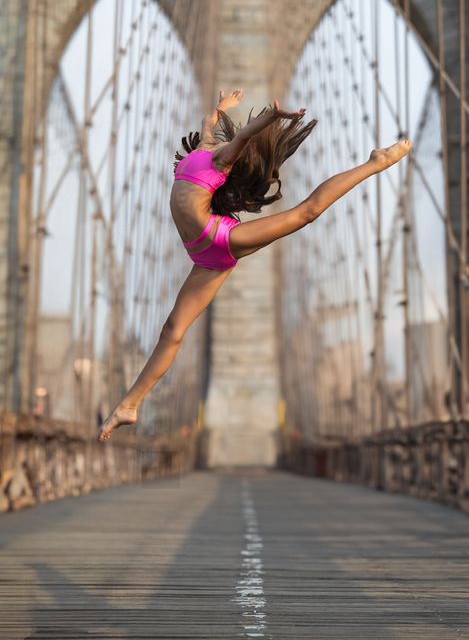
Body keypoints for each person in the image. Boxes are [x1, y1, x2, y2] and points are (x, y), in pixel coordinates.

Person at [97, 89, 412, 441]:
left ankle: (375, 163)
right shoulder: (203, 149)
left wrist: (271, 119)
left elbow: (244, 136)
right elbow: (208, 124)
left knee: (306, 213)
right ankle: (129, 405)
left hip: (218, 241)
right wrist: (220, 107)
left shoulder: (218, 161)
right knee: (172, 330)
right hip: (201, 250)